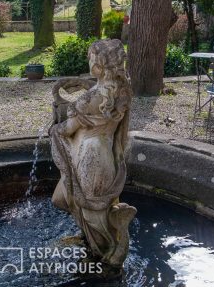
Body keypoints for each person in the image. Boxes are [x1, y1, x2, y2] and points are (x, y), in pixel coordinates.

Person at [50, 39, 136, 270]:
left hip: (89, 156)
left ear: (99, 62)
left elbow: (67, 129)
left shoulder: (91, 98)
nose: (89, 61)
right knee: (66, 199)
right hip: (104, 153)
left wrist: (54, 128)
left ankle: (104, 258)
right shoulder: (122, 90)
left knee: (91, 210)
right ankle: (96, 243)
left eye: (90, 57)